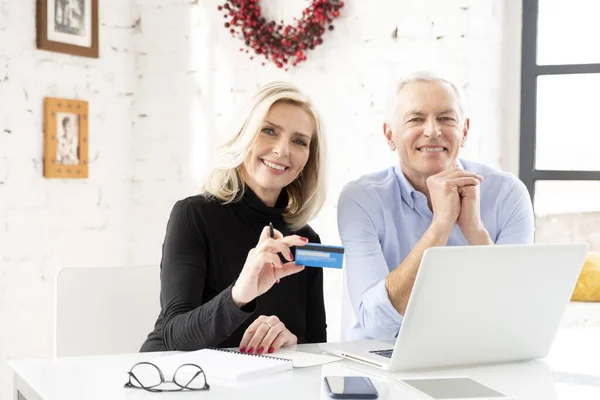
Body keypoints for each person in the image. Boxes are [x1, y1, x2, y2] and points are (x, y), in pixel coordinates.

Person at [337, 72, 534, 341]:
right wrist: (440, 226)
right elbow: (376, 325)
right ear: (390, 135)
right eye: (416, 119)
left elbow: (517, 316)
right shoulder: (360, 199)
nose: (432, 131)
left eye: (446, 118)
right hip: (381, 363)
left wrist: (475, 231)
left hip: (475, 357)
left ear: (464, 131)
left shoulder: (507, 193)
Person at [141, 81, 328, 354]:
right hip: (177, 381)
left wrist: (293, 344)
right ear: (244, 137)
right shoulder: (193, 215)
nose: (282, 150)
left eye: (299, 141)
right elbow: (174, 336)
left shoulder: (307, 241)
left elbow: (317, 346)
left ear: (308, 160)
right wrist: (240, 293)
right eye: (268, 131)